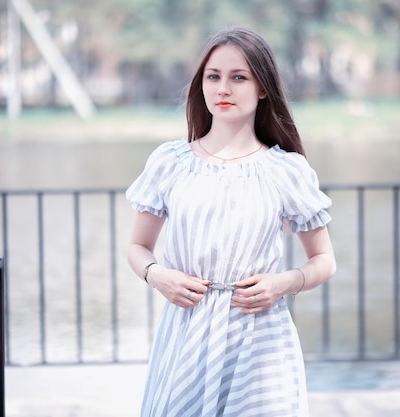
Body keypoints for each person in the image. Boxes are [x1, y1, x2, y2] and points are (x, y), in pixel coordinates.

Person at [126, 27, 336, 417]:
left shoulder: (286, 170)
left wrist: (282, 284)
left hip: (261, 338)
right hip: (187, 333)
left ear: (261, 88)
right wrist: (158, 275)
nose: (223, 88)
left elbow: (324, 259)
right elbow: (138, 248)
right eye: (213, 76)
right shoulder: (170, 163)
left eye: (238, 77)